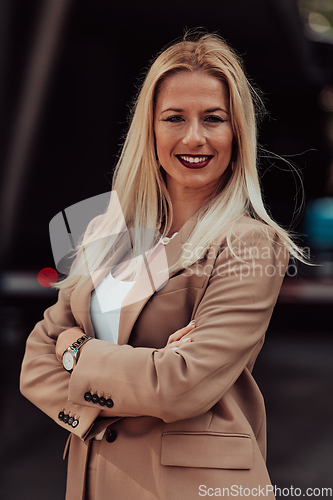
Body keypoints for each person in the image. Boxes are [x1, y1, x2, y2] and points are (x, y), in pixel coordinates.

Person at [20, 32, 305, 500]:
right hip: (93, 481)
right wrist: (141, 372)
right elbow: (35, 360)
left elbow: (181, 385)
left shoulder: (249, 243)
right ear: (149, 130)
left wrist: (76, 353)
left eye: (214, 118)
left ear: (237, 132)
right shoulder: (106, 234)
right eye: (175, 118)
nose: (195, 137)